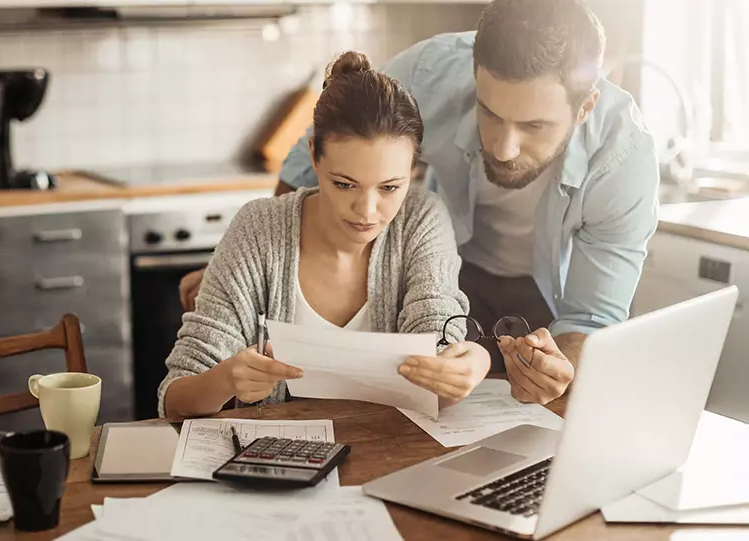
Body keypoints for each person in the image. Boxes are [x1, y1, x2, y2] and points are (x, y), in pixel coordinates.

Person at [180, 0, 659, 406]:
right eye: (490, 114)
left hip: (543, 299)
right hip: (441, 266)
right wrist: (251, 263)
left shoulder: (623, 160)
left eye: (534, 127)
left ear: (584, 107)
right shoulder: (427, 74)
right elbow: (310, 166)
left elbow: (591, 319)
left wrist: (561, 371)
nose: (503, 148)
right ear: (474, 75)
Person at [159, 51, 491, 419]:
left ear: (413, 170)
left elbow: (437, 346)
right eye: (345, 184)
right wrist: (224, 381)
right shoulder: (258, 228)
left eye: (389, 188)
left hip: (390, 455)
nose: (366, 211)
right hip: (276, 463)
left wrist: (467, 364)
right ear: (315, 156)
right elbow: (176, 399)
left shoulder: (421, 219)